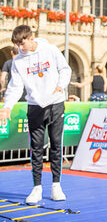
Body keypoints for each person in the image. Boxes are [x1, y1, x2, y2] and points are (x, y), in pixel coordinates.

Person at [0, 25, 71, 203]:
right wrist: (7, 106)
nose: (19, 48)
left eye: (22, 43)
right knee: (36, 148)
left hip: (55, 103)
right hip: (34, 106)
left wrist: (60, 86)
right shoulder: (18, 61)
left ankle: (56, 185)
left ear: (31, 38)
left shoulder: (50, 49)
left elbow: (65, 69)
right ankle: (37, 188)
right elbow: (15, 87)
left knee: (56, 145)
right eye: (17, 44)